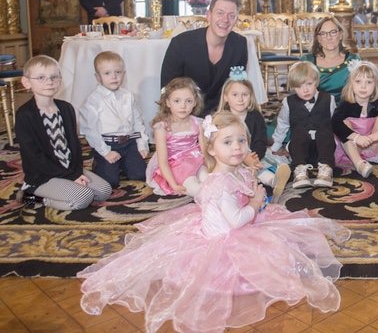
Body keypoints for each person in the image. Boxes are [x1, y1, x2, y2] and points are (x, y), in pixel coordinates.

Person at [78, 112, 349, 333]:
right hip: (226, 238)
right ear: (211, 148)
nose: (237, 148)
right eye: (228, 142)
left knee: (283, 232)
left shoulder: (233, 172)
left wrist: (252, 191)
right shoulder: (220, 183)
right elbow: (235, 223)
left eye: (241, 141)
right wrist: (254, 203)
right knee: (272, 254)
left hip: (232, 223)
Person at [16, 55, 112, 209]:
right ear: (27, 82)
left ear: (60, 80)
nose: (49, 81)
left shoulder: (66, 108)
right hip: (43, 175)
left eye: (54, 77)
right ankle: (32, 196)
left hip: (68, 168)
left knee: (104, 191)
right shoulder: (25, 115)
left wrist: (76, 172)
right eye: (41, 77)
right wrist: (71, 177)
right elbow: (34, 157)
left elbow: (74, 145)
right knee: (83, 198)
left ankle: (67, 187)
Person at [161, 0, 248, 116]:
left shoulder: (240, 44)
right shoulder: (181, 43)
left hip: (222, 114)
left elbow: (236, 86)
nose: (225, 20)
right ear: (208, 15)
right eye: (220, 13)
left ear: (236, 20)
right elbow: (167, 89)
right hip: (185, 115)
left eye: (231, 15)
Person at [79, 51, 149, 188]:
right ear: (98, 77)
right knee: (110, 182)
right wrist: (105, 152)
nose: (114, 77)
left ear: (124, 74)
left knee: (140, 175)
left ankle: (124, 162)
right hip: (107, 144)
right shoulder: (93, 101)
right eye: (107, 73)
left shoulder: (128, 96)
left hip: (129, 143)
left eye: (118, 72)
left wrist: (142, 144)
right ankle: (100, 161)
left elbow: (138, 122)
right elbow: (90, 130)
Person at [216, 66, 290, 192]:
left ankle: (274, 181)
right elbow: (219, 144)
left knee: (260, 166)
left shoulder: (255, 117)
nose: (240, 99)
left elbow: (260, 141)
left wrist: (255, 157)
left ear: (250, 97)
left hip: (253, 154)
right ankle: (244, 184)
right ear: (226, 97)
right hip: (229, 156)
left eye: (244, 95)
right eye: (235, 95)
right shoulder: (222, 119)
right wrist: (243, 158)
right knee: (234, 170)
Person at [332, 60, 378, 177]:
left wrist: (377, 135)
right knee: (343, 123)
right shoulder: (346, 104)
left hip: (373, 144)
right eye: (358, 81)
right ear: (351, 84)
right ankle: (359, 163)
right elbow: (334, 123)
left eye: (369, 82)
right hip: (354, 147)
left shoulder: (377, 102)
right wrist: (357, 137)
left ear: (375, 85)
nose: (363, 86)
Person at [271, 61, 337, 189]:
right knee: (299, 133)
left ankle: (326, 170)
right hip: (299, 149)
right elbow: (282, 125)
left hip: (323, 149)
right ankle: (299, 170)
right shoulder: (288, 102)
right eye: (299, 86)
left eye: (309, 84)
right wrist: (275, 147)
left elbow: (335, 123)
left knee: (324, 131)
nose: (305, 90)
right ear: (293, 87)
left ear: (316, 82)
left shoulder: (329, 99)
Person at [146, 77, 206, 196]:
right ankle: (213, 204)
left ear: (195, 102)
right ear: (168, 102)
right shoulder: (162, 128)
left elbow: (205, 152)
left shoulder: (198, 123)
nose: (183, 106)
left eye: (188, 101)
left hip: (196, 160)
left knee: (209, 179)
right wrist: (173, 184)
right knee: (197, 189)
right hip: (175, 167)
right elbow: (162, 161)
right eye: (177, 101)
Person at [300, 17, 361, 103]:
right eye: (323, 33)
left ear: (340, 35)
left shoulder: (353, 60)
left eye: (333, 32)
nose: (329, 37)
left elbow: (365, 90)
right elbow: (298, 91)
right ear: (318, 39)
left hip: (347, 110)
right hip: (315, 110)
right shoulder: (307, 61)